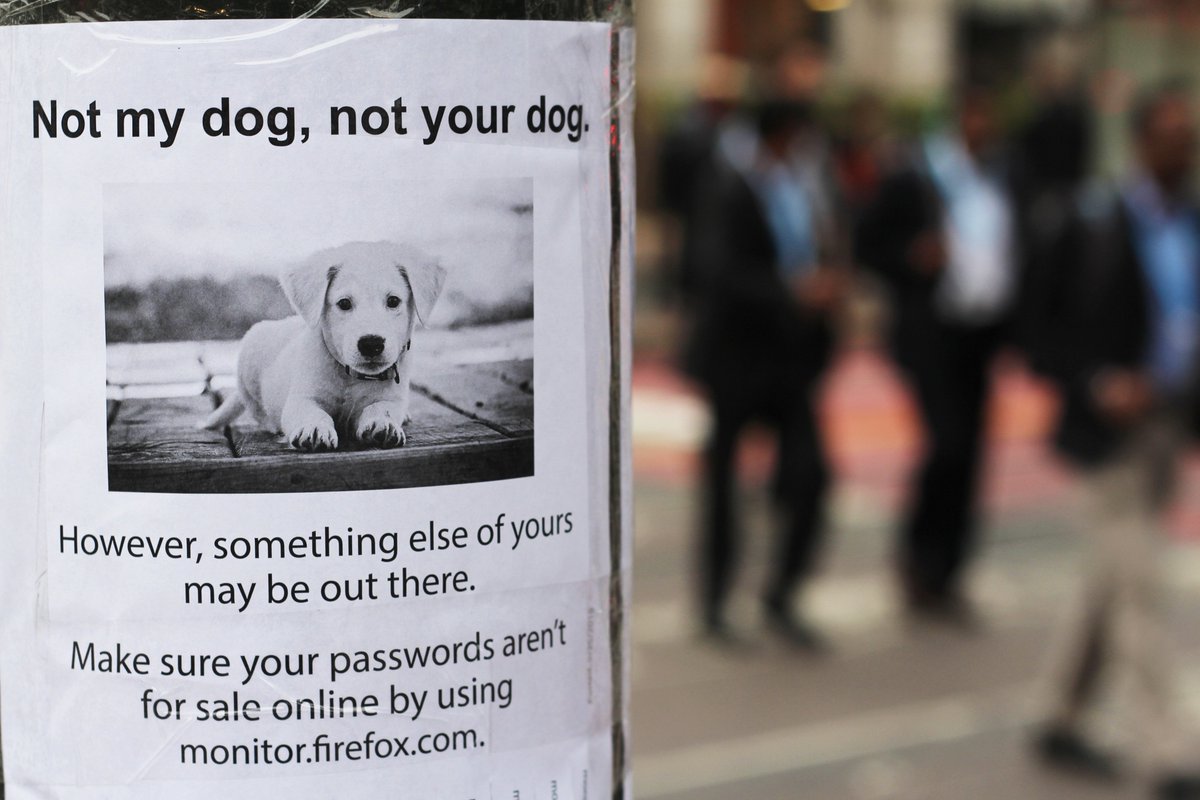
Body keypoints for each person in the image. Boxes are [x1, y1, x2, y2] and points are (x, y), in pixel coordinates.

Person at [1029, 84, 1200, 800]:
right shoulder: (1091, 221)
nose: (1183, 147)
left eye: (1189, 135)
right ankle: (1172, 752)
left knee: (1108, 582)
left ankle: (1058, 715)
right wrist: (1098, 380)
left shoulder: (1191, 221)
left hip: (1168, 426)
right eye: (1170, 134)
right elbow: (1037, 325)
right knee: (1140, 587)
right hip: (1108, 436)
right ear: (1138, 142)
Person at [684, 99, 846, 649]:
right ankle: (714, 601)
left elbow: (824, 246)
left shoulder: (806, 186)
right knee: (723, 483)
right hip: (737, 359)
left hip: (791, 360)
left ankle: (781, 593)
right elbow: (718, 270)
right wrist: (792, 291)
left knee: (811, 475)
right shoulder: (732, 185)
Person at [856, 86, 1020, 625]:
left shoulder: (1001, 175)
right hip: (933, 333)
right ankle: (918, 559)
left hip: (981, 331)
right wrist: (911, 257)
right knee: (945, 443)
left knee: (972, 451)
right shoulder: (917, 174)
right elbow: (869, 243)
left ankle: (948, 572)